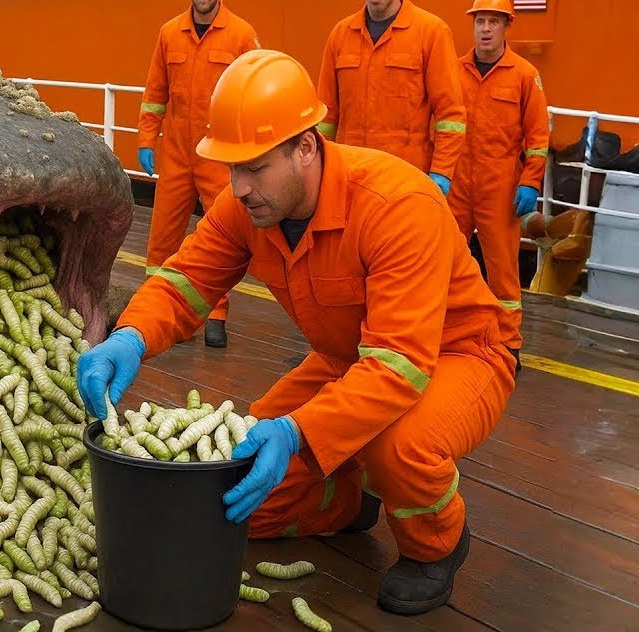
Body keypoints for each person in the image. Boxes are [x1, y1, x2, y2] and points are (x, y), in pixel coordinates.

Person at [78, 50, 516, 615]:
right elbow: (185, 281)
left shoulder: (395, 205)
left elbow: (399, 367)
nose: (238, 188)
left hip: (456, 354)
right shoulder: (249, 208)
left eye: (254, 168)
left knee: (400, 446)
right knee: (233, 495)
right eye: (231, 169)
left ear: (306, 148)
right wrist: (128, 338)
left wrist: (299, 431)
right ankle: (347, 501)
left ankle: (435, 545)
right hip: (347, 360)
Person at [136, 0, 261, 348]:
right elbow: (155, 93)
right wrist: (145, 138)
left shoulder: (242, 35)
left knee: (220, 234)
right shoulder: (168, 33)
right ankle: (155, 311)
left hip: (219, 156)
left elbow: (254, 90)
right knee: (162, 237)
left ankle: (216, 314)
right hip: (175, 152)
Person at [316, 0, 466, 197]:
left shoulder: (431, 32)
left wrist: (441, 172)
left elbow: (450, 115)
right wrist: (318, 166)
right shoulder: (340, 35)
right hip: (351, 176)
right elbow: (327, 115)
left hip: (406, 178)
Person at [450, 0, 550, 368]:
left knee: (503, 271)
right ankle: (447, 331)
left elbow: (538, 137)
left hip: (500, 187)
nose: (486, 29)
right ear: (473, 25)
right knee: (447, 261)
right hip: (457, 183)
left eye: (494, 21)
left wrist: (531, 182)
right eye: (480, 21)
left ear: (507, 25)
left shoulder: (525, 75)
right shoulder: (454, 71)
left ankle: (508, 345)